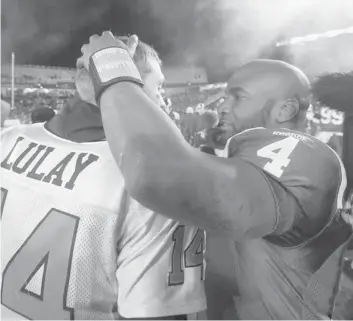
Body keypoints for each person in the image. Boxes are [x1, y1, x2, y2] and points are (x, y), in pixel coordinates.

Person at [76, 32, 353, 319]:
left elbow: (158, 175)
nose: (222, 105)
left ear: (285, 110)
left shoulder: (305, 155)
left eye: (239, 97)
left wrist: (112, 72)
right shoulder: (252, 160)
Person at [0, 38, 206, 320]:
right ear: (123, 83)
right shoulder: (151, 176)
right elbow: (156, 314)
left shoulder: (8, 139)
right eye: (157, 86)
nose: (162, 99)